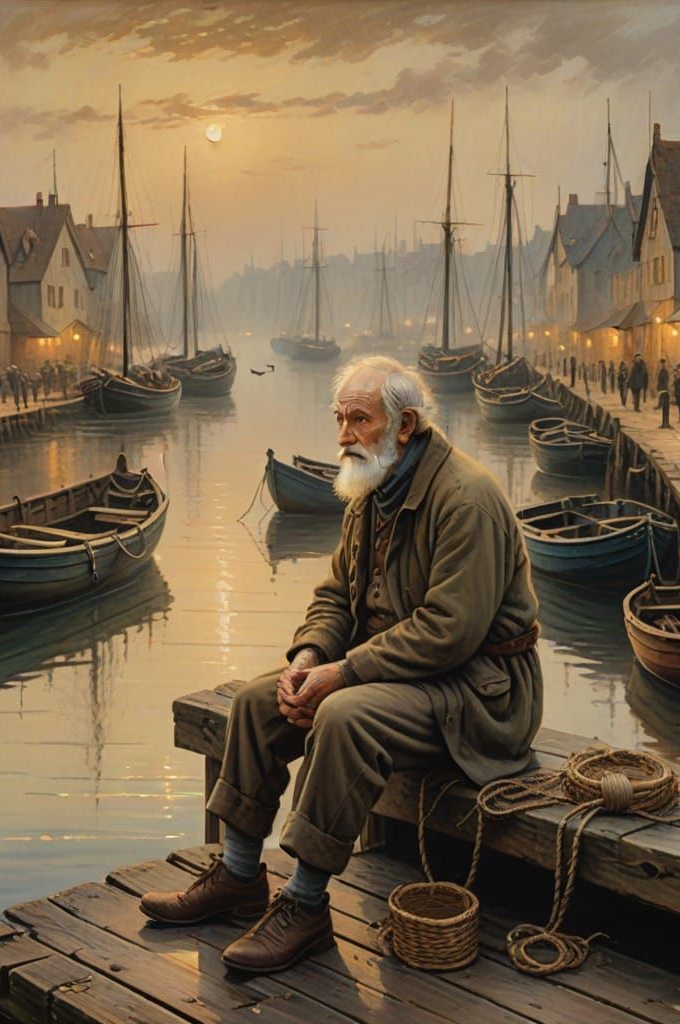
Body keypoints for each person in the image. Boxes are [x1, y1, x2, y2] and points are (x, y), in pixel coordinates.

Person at [139, 355, 543, 974]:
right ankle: (240, 877)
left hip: (480, 693)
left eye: (359, 419)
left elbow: (448, 633)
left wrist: (342, 675)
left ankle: (305, 907)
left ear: (404, 425)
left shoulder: (467, 499)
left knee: (344, 717)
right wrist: (309, 656)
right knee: (257, 701)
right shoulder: (370, 488)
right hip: (398, 675)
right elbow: (334, 596)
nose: (344, 435)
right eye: (339, 418)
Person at [655, 358, 671, 428]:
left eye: (663, 363)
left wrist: (662, 388)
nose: (662, 365)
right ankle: (665, 423)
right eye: (661, 363)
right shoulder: (662, 371)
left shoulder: (664, 372)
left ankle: (665, 423)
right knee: (665, 408)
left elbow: (665, 381)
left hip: (664, 391)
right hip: (663, 390)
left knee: (665, 408)